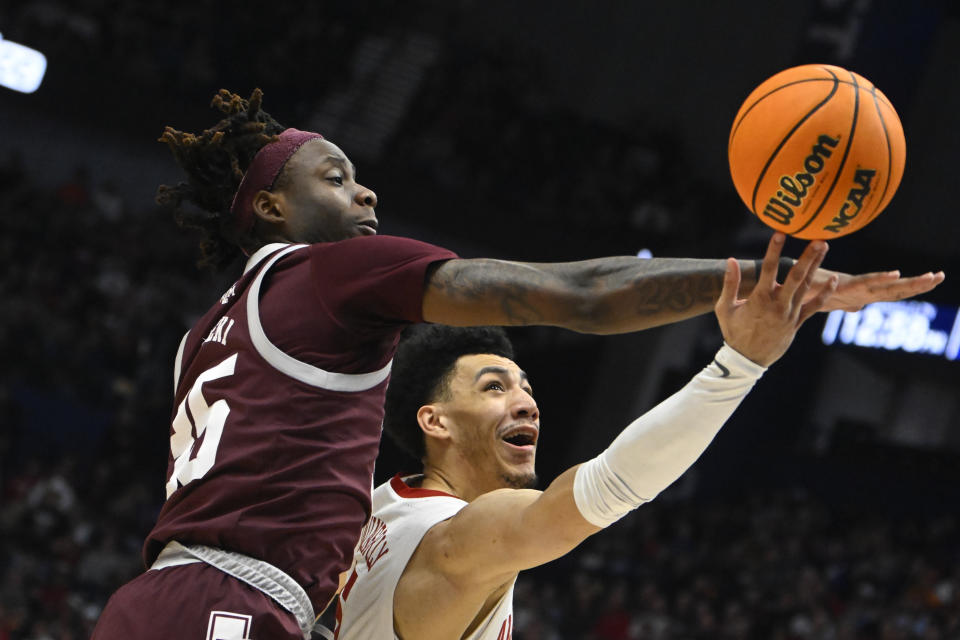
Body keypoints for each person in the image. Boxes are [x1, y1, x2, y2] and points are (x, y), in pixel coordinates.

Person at [90, 88, 943, 640]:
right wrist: (756, 302)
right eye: (340, 179)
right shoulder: (446, 531)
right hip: (229, 610)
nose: (367, 196)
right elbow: (576, 299)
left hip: (153, 599)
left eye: (525, 382)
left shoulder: (206, 335)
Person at [334, 237, 840, 639]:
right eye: (494, 387)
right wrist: (740, 363)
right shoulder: (459, 535)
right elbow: (609, 487)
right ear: (435, 421)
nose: (527, 402)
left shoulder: (375, 508)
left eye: (525, 387)